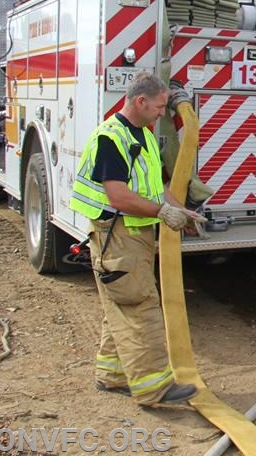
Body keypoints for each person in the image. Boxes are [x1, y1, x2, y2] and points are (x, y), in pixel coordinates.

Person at [69, 72, 203, 407]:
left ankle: (111, 375)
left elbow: (155, 190)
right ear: (140, 102)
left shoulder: (140, 136)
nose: (162, 114)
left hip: (131, 235)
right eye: (159, 107)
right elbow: (119, 196)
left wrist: (182, 211)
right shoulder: (111, 139)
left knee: (120, 304)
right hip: (117, 235)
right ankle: (153, 388)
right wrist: (161, 212)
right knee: (139, 307)